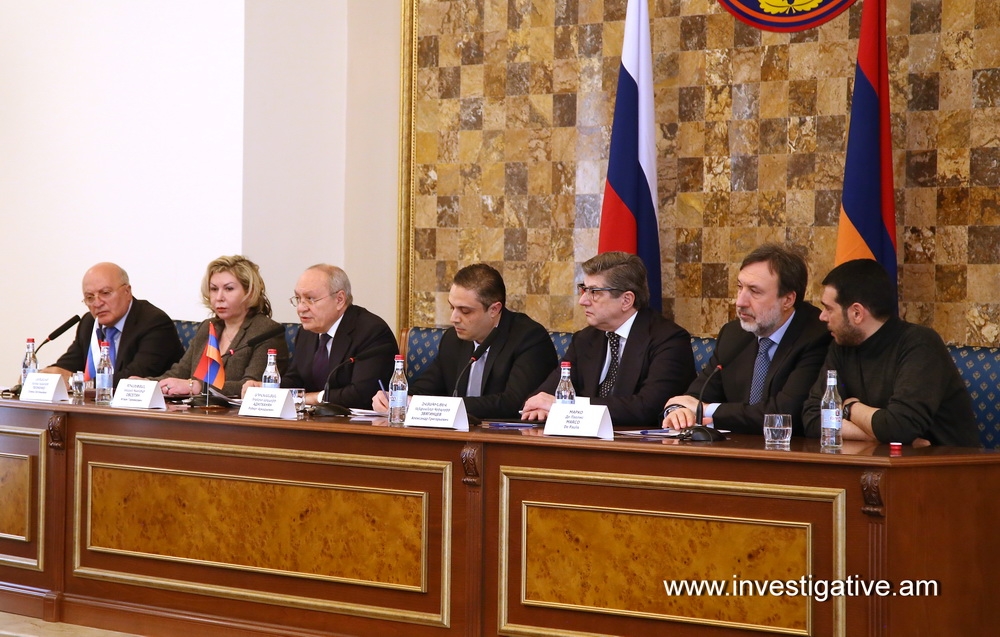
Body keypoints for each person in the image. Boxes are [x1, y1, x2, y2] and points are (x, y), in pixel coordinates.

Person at [802, 259, 978, 446]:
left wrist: (850, 408)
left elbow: (900, 427)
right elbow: (813, 418)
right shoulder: (842, 344)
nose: (822, 316)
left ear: (857, 313)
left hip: (944, 461)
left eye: (829, 309)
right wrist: (877, 436)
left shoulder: (920, 344)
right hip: (884, 456)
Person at [662, 244, 831, 435]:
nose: (740, 302)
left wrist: (706, 410)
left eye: (755, 291)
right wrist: (679, 411)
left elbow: (784, 414)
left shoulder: (816, 337)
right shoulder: (733, 334)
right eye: (740, 287)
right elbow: (696, 396)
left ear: (788, 300)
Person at [522, 252, 695, 427]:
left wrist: (567, 406)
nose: (583, 300)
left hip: (639, 441)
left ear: (626, 300)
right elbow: (543, 395)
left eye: (594, 292)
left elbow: (648, 408)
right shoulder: (585, 339)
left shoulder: (669, 340)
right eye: (584, 289)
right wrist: (539, 408)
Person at [373, 263, 557, 420]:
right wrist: (396, 398)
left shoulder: (529, 338)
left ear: (494, 309)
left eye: (465, 311)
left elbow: (513, 403)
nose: (454, 318)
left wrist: (444, 406)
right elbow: (425, 388)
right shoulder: (453, 339)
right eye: (452, 307)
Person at [243, 264, 397, 409]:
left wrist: (312, 398)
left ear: (339, 299)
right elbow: (296, 379)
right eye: (298, 299)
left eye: (310, 299)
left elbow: (362, 393)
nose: (301, 308)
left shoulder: (371, 331)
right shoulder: (307, 331)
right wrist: (268, 389)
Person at [152, 256, 288, 397]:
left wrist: (198, 387)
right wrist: (145, 384)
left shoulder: (266, 331)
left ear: (250, 293)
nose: (219, 297)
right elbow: (179, 373)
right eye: (214, 289)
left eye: (229, 289)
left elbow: (251, 387)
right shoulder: (208, 327)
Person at [43, 262, 183, 387]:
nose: (97, 303)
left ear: (127, 292)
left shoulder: (154, 322)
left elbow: (134, 378)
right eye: (90, 297)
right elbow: (69, 365)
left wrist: (74, 381)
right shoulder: (89, 322)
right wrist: (48, 376)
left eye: (105, 293)